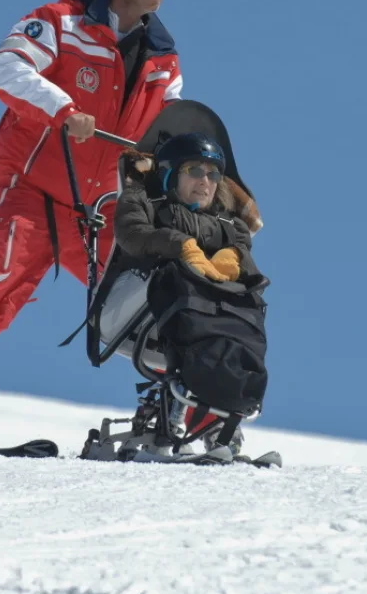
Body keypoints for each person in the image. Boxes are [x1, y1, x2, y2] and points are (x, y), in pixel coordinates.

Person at [0, 0, 183, 404]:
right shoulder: (60, 22)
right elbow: (3, 68)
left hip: (104, 209)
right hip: (33, 194)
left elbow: (173, 126)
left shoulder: (164, 59)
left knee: (164, 298)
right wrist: (63, 109)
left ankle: (192, 422)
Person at [101, 133, 268, 457]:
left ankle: (224, 414)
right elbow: (132, 234)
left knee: (243, 301)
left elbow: (244, 253)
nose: (205, 181)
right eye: (194, 170)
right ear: (170, 173)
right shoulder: (144, 203)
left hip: (190, 317)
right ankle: (173, 413)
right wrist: (180, 246)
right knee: (184, 282)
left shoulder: (229, 224)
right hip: (132, 308)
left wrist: (234, 257)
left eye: (213, 174)